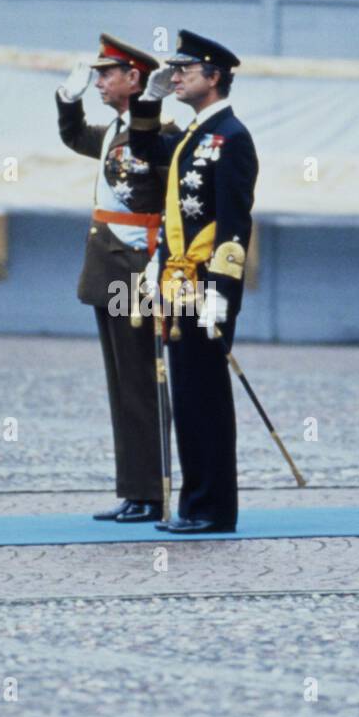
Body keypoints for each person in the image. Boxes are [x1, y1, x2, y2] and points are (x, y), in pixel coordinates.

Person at [129, 30, 257, 534]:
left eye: (185, 70)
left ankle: (212, 508)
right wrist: (149, 98)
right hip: (178, 279)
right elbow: (142, 148)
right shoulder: (191, 133)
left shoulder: (232, 137)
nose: (175, 75)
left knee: (205, 397)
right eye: (174, 69)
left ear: (215, 76)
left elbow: (234, 224)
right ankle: (195, 503)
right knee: (186, 393)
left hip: (206, 283)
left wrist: (221, 297)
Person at [56, 33, 179, 523]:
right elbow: (73, 136)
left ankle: (151, 491)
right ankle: (134, 489)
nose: (100, 82)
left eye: (108, 74)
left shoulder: (161, 133)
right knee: (120, 383)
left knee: (141, 386)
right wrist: (67, 101)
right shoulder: (114, 131)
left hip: (136, 273)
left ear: (135, 78)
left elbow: (166, 204)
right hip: (109, 270)